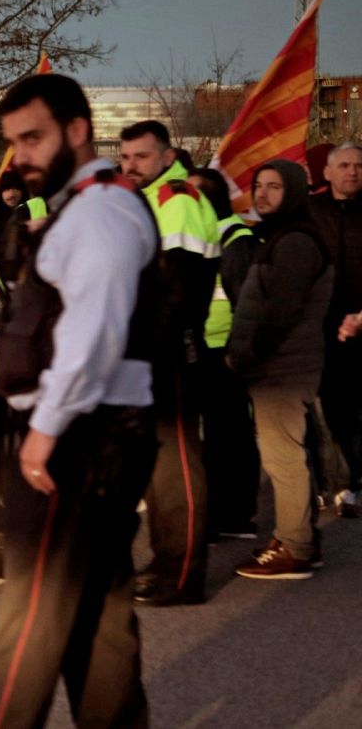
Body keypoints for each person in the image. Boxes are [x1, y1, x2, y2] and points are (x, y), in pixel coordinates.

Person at [0, 73, 158, 729]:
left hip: (76, 440)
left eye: (33, 138)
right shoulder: (88, 207)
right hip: (96, 436)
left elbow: (91, 334)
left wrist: (43, 434)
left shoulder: (100, 211)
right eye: (13, 141)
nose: (20, 155)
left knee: (28, 628)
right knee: (99, 616)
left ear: (77, 130)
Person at [118, 119, 219, 607]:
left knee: (175, 463)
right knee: (158, 466)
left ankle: (181, 574)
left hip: (170, 348)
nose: (131, 165)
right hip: (152, 347)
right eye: (125, 157)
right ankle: (166, 562)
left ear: (167, 156)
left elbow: (177, 285)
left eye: (141, 156)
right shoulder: (147, 200)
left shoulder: (175, 198)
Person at [228, 160, 333, 579]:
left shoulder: (294, 242)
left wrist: (250, 355)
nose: (263, 193)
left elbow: (281, 310)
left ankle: (295, 548)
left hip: (283, 368)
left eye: (274, 186)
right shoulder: (283, 236)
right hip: (283, 364)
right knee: (288, 453)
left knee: (282, 457)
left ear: (293, 191)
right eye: (259, 185)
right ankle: (299, 536)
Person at [186, 167, 260, 541]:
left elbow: (246, 303)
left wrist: (239, 350)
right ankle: (221, 512)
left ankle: (232, 515)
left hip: (225, 351)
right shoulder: (206, 231)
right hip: (203, 347)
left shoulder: (234, 237)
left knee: (229, 435)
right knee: (215, 435)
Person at [307, 141, 362, 518]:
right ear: (327, 172)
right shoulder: (310, 211)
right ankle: (328, 483)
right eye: (344, 165)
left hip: (360, 326)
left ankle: (354, 482)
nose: (352, 171)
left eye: (358, 165)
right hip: (321, 330)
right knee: (327, 411)